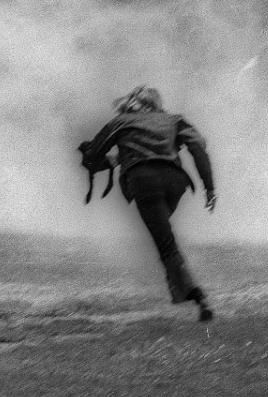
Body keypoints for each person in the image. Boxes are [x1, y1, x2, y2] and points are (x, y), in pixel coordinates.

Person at [81, 86, 217, 322]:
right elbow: (198, 146)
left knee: (166, 243)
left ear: (132, 103)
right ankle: (179, 286)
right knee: (165, 236)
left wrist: (99, 159)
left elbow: (93, 156)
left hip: (144, 182)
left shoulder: (121, 121)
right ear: (156, 104)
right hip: (175, 183)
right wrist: (209, 187)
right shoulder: (173, 120)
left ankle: (197, 296)